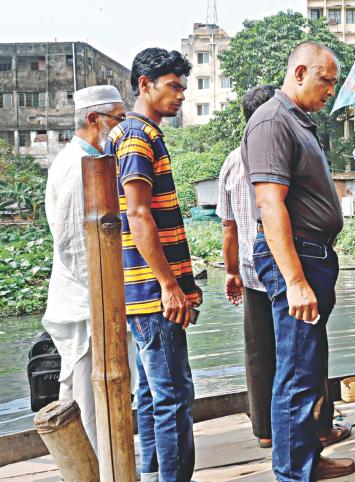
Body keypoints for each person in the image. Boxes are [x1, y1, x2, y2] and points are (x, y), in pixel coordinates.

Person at [241, 42, 355, 481]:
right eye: (326, 80)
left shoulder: (297, 122)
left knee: (308, 366)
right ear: (301, 72)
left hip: (314, 253)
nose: (330, 90)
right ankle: (292, 472)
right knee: (296, 369)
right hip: (298, 258)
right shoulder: (271, 120)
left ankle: (305, 457)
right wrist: (294, 279)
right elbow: (271, 206)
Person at [218, 85, 352, 451]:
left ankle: (268, 431)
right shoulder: (276, 146)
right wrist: (295, 278)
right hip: (283, 263)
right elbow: (272, 209)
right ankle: (306, 444)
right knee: (301, 361)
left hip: (252, 267)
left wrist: (231, 271)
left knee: (264, 353)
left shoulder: (232, 161)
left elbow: (228, 225)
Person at [105, 48, 200, 482]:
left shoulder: (135, 134)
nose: (180, 95)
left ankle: (152, 475)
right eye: (173, 86)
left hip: (143, 289)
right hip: (151, 290)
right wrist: (169, 284)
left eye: (182, 86)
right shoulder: (137, 137)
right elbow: (138, 214)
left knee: (153, 394)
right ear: (145, 85)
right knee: (173, 396)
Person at [42, 86, 133, 453]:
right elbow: (73, 245)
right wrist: (108, 294)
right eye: (117, 120)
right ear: (94, 120)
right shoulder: (79, 167)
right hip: (85, 302)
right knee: (91, 405)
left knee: (82, 401)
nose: (121, 129)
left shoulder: (86, 160)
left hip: (88, 299)